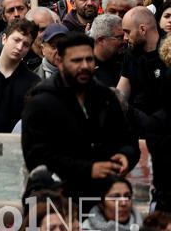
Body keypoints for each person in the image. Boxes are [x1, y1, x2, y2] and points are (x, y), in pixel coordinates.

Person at [22, 32, 140, 201]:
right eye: (76, 60)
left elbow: (128, 138)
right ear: (60, 63)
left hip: (103, 196)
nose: (84, 65)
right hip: (58, 198)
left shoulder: (106, 97)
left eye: (89, 59)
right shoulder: (40, 102)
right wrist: (88, 169)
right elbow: (36, 156)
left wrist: (126, 155)